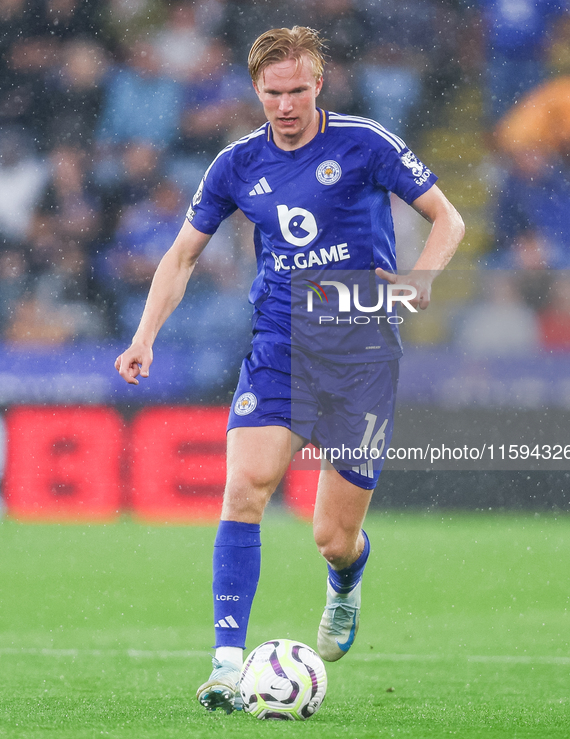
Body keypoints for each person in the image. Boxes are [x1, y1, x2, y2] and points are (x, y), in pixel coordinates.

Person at [115, 26, 464, 714]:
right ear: (255, 91)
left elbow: (446, 218)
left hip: (360, 349)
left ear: (318, 85)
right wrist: (143, 335)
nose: (285, 105)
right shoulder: (235, 164)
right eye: (272, 93)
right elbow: (182, 256)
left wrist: (421, 278)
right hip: (281, 341)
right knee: (243, 486)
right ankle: (223, 663)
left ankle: (345, 580)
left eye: (297, 91)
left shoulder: (364, 142)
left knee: (331, 537)